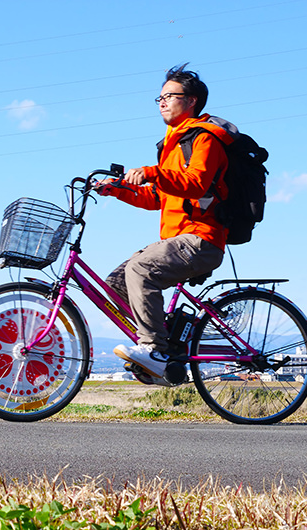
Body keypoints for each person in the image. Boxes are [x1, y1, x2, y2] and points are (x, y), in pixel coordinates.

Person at [95, 64, 232, 384]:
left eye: (171, 96)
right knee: (115, 286)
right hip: (179, 240)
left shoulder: (204, 139)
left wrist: (153, 172)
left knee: (140, 269)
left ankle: (154, 349)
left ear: (192, 101)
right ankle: (168, 348)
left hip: (202, 239)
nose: (162, 102)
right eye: (159, 97)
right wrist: (114, 189)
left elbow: (196, 183)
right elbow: (156, 197)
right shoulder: (172, 144)